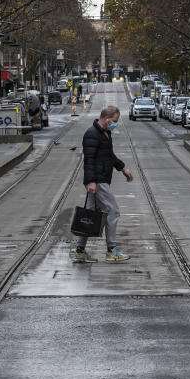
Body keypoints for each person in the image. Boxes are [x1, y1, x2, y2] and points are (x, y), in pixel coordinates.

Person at [73, 105, 134, 263]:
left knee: (89, 214)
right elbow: (89, 160)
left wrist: (123, 169)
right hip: (98, 180)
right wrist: (92, 181)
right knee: (112, 211)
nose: (115, 124)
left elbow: (109, 155)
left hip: (100, 179)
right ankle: (111, 250)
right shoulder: (92, 134)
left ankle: (80, 251)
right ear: (106, 119)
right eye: (114, 121)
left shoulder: (105, 133)